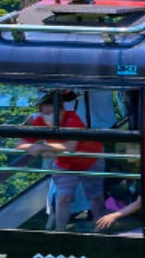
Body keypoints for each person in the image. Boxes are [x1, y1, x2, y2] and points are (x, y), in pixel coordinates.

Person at [19, 92, 102, 231]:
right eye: (46, 113)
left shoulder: (72, 119)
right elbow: (21, 143)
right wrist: (34, 147)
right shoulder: (40, 121)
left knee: (95, 196)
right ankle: (60, 232)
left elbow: (70, 146)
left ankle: (99, 227)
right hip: (65, 164)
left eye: (53, 113)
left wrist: (42, 147)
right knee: (63, 197)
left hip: (91, 159)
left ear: (62, 112)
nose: (49, 116)